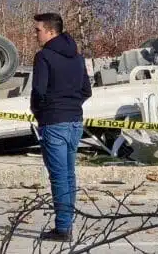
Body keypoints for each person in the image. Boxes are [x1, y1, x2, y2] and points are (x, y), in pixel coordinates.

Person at [31, 13, 92, 242]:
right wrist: (71, 104)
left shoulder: (44, 56)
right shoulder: (77, 57)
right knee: (69, 174)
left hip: (54, 121)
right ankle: (67, 223)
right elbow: (87, 90)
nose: (35, 34)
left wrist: (41, 112)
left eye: (38, 30)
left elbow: (38, 91)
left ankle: (63, 228)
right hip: (75, 121)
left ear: (51, 31)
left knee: (59, 176)